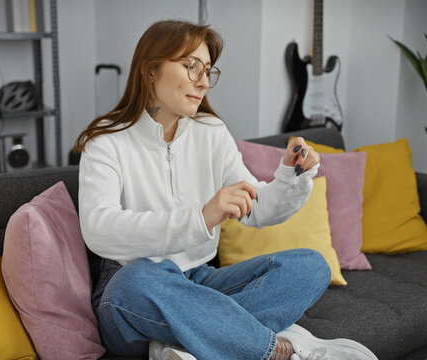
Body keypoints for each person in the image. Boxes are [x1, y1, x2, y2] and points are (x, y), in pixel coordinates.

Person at [75, 20, 377, 360]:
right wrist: (202, 217)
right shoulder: (106, 141)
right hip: (135, 291)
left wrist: (291, 176)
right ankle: (270, 349)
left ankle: (189, 343)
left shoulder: (211, 132)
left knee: (311, 266)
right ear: (150, 71)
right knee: (137, 280)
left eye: (207, 70)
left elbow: (256, 208)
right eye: (190, 67)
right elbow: (99, 229)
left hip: (200, 281)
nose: (203, 81)